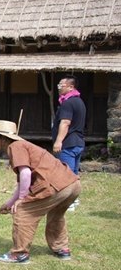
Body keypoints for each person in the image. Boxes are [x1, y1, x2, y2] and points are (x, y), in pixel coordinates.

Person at [0, 120, 81, 264]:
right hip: (72, 184)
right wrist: (9, 203)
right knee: (56, 216)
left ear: (2, 139)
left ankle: (19, 254)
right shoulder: (24, 146)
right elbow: (23, 182)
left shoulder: (15, 146)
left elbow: (26, 174)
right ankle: (62, 249)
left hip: (55, 186)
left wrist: (21, 199)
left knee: (23, 212)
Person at [52, 75, 86, 210]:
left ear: (71, 87)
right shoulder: (79, 102)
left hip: (68, 143)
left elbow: (65, 122)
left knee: (66, 173)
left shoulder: (68, 103)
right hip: (78, 142)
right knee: (74, 173)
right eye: (58, 86)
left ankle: (68, 202)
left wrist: (58, 141)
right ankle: (74, 199)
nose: (59, 89)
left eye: (62, 86)